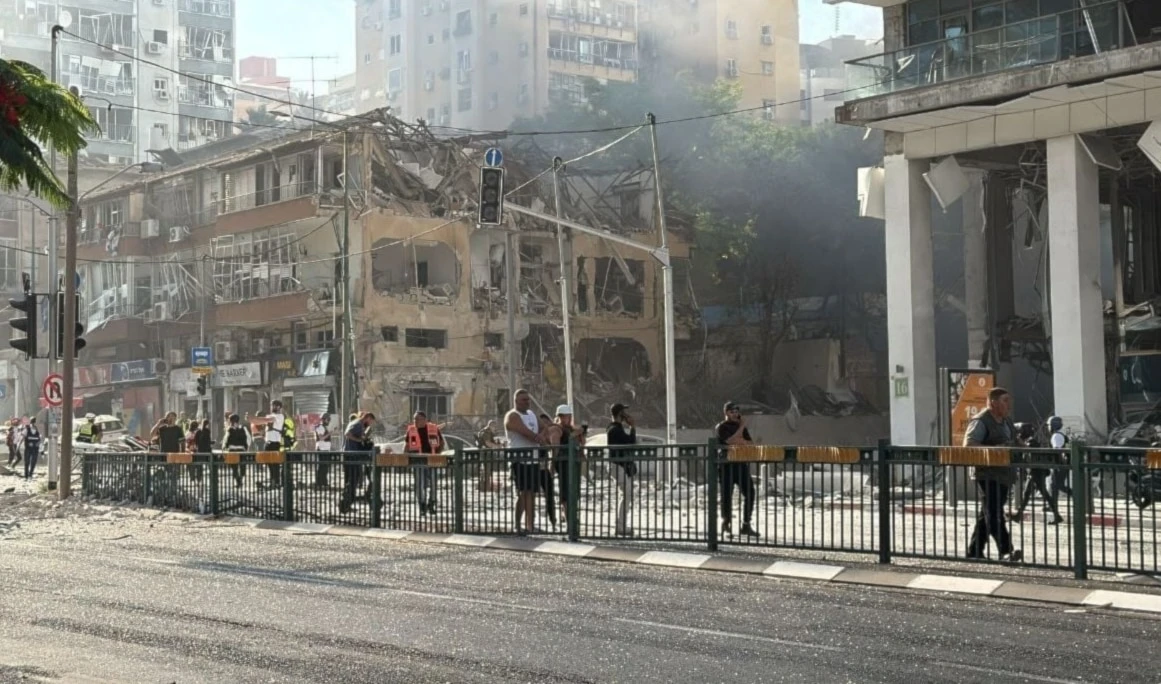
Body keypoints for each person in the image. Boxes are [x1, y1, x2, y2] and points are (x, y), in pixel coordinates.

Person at [964, 387, 1022, 562]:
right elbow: (969, 445)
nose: (1008, 404)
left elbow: (1014, 441)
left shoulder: (1007, 421)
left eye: (1009, 400)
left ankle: (974, 550)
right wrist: (995, 450)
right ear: (993, 403)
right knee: (994, 512)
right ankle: (1006, 550)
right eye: (1005, 401)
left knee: (987, 514)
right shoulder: (980, 421)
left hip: (1004, 474)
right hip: (986, 474)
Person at [505, 389, 547, 534]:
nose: (527, 402)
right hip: (519, 459)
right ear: (516, 401)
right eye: (524, 400)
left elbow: (543, 428)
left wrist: (540, 436)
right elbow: (524, 432)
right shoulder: (512, 416)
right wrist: (537, 438)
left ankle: (531, 524)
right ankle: (517, 524)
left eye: (528, 399)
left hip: (533, 458)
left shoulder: (532, 414)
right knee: (523, 492)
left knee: (532, 492)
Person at [716, 402, 758, 539]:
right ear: (726, 413)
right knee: (726, 496)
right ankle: (726, 524)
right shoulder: (722, 427)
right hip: (726, 465)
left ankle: (746, 524)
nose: (735, 414)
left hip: (740, 464)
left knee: (750, 492)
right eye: (732, 411)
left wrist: (741, 439)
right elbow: (730, 441)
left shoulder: (740, 428)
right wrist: (741, 428)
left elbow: (750, 444)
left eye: (737, 411)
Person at [1011, 422, 1063, 525]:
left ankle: (1057, 515)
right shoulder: (1029, 441)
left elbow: (1029, 451)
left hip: (1037, 472)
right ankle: (1018, 515)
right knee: (1028, 494)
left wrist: (1022, 444)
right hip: (1035, 471)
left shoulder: (1031, 441)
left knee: (1040, 494)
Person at [548, 405, 585, 529]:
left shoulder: (570, 428)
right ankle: (569, 519)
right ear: (560, 417)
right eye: (565, 416)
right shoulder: (556, 429)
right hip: (563, 463)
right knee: (565, 491)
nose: (567, 419)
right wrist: (552, 464)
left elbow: (580, 444)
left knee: (573, 491)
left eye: (569, 416)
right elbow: (555, 447)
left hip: (573, 463)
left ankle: (571, 516)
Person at [606, 402, 638, 537]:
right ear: (620, 414)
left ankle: (621, 525)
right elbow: (630, 443)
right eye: (624, 412)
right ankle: (620, 527)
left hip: (619, 467)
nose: (627, 414)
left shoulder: (614, 427)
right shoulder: (615, 429)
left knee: (626, 495)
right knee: (626, 496)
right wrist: (633, 427)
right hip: (618, 466)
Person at [406, 411, 444, 516]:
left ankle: (431, 504)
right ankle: (422, 505)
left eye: (417, 419)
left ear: (424, 419)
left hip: (431, 460)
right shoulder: (411, 429)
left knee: (433, 484)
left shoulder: (433, 428)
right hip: (417, 461)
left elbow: (441, 443)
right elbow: (407, 445)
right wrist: (405, 458)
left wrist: (437, 454)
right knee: (419, 485)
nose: (415, 421)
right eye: (414, 419)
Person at [340, 412, 376, 514]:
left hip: (353, 456)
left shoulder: (358, 424)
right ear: (367, 418)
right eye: (370, 421)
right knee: (352, 481)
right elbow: (347, 434)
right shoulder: (357, 423)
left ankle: (346, 504)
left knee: (352, 481)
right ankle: (345, 504)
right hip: (352, 456)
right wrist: (359, 440)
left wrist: (364, 438)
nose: (370, 424)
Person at [1047, 415, 1073, 499]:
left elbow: (1057, 450)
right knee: (1056, 485)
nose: (1048, 427)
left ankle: (1077, 495)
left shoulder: (1056, 436)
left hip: (1060, 464)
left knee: (1055, 485)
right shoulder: (1060, 435)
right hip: (1062, 464)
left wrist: (1059, 464)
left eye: (1049, 425)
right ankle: (1053, 504)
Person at [222, 413, 251, 487]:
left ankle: (238, 481)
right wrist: (247, 447)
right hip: (241, 449)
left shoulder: (229, 429)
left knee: (234, 467)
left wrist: (224, 448)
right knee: (242, 466)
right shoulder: (243, 428)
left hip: (232, 450)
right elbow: (248, 438)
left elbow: (225, 440)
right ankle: (240, 479)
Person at [264, 400, 287, 488]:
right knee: (269, 463)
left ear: (279, 407)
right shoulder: (269, 416)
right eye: (273, 405)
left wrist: (254, 419)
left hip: (275, 442)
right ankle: (272, 481)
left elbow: (268, 420)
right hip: (268, 442)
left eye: (276, 406)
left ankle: (276, 482)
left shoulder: (280, 416)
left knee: (275, 463)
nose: (273, 407)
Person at [475, 420, 502, 492]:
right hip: (485, 453)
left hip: (486, 453)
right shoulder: (486, 432)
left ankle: (484, 487)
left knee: (486, 471)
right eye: (494, 426)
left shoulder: (487, 431)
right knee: (486, 471)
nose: (495, 428)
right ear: (491, 426)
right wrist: (497, 446)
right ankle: (484, 488)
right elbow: (488, 443)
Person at [313, 414, 335, 490]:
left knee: (325, 466)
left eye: (329, 420)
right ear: (323, 419)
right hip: (322, 449)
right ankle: (320, 482)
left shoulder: (323, 427)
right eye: (327, 420)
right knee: (322, 466)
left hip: (325, 449)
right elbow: (321, 438)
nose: (328, 421)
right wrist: (330, 433)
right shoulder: (320, 427)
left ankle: (323, 482)